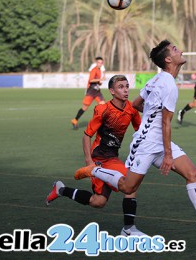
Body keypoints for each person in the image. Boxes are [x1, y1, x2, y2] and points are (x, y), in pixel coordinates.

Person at [74, 40, 196, 233]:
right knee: (126, 187)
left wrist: (150, 113)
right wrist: (167, 153)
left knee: (193, 173)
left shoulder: (157, 79)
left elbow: (135, 103)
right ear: (168, 59)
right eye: (175, 49)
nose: (180, 50)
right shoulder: (169, 86)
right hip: (146, 143)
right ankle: (93, 170)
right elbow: (165, 123)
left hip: (159, 141)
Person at [47, 75, 146, 236]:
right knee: (110, 195)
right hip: (98, 160)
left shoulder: (131, 109)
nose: (126, 90)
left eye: (127, 86)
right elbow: (87, 135)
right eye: (121, 87)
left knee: (108, 196)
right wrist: (89, 164)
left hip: (112, 158)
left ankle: (61, 190)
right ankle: (128, 229)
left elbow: (141, 132)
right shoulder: (103, 109)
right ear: (112, 91)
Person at [71, 57, 106, 129]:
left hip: (97, 91)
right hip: (91, 91)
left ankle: (102, 123)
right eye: (99, 62)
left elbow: (96, 81)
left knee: (103, 105)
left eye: (101, 63)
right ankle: (75, 120)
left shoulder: (99, 71)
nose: (100, 64)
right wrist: (100, 79)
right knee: (84, 108)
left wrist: (99, 83)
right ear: (96, 63)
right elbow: (91, 80)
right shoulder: (94, 70)